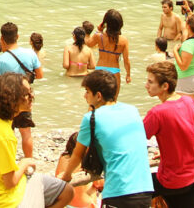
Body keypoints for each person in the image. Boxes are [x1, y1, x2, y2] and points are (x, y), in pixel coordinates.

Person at [0, 73, 72, 208]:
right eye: (26, 94)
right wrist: (25, 162)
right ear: (11, 99)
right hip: (6, 200)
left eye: (31, 92)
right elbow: (10, 182)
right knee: (68, 192)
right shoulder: (3, 134)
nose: (31, 97)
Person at [59, 69, 155, 207]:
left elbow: (77, 154)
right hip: (145, 188)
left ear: (98, 96)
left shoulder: (91, 118)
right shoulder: (132, 110)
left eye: (87, 91)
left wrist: (67, 175)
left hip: (119, 192)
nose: (85, 96)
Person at [144, 62, 194, 207]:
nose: (146, 85)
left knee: (132, 192)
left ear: (165, 86)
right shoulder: (189, 102)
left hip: (173, 181)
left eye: (150, 82)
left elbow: (136, 140)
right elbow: (188, 133)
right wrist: (170, 152)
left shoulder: (157, 112)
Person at [0, 22, 43, 158]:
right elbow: (40, 75)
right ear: (17, 36)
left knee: (8, 133)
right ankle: (29, 162)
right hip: (25, 98)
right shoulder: (30, 54)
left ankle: (10, 160)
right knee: (26, 133)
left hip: (7, 100)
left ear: (2, 38)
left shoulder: (0, 60)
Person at [85, 9, 130, 85]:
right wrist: (128, 75)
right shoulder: (124, 40)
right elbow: (126, 61)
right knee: (113, 97)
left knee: (98, 96)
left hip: (100, 70)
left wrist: (97, 30)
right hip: (114, 72)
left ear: (106, 23)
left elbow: (88, 43)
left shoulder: (99, 36)